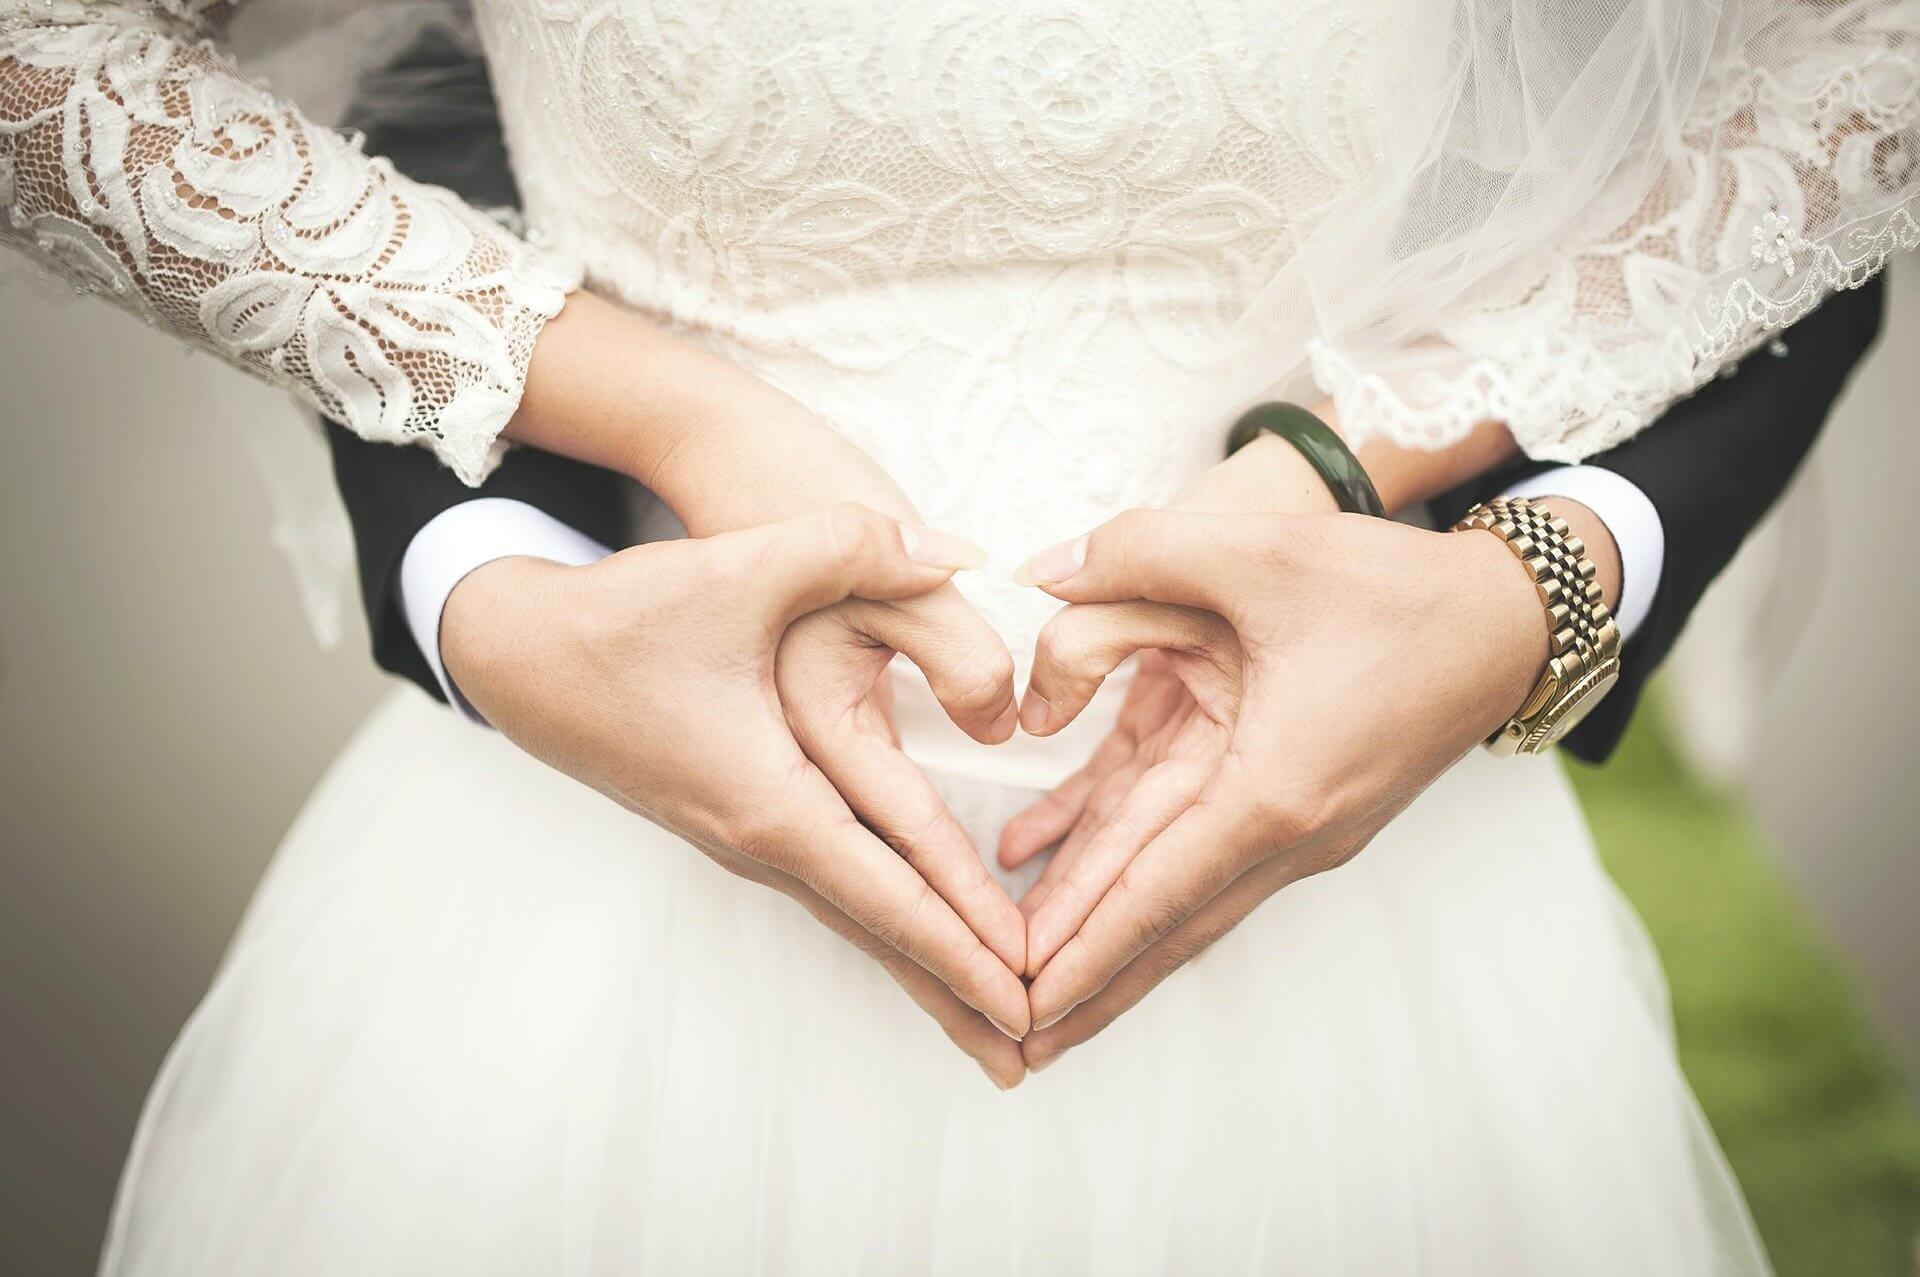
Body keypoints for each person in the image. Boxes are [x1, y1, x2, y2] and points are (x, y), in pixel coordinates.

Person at [2, 2, 1912, 1272]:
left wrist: (1440, 532)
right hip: (600, 901)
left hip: (1352, 906)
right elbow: (52, 62)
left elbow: (1852, 67)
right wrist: (658, 426)